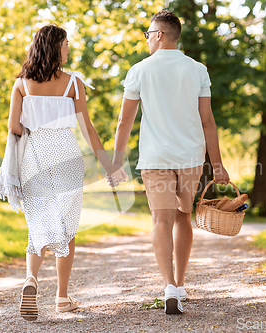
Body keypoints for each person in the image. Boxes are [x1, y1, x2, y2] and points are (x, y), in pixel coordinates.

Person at [111, 11, 230, 314]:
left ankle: (169, 287)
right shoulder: (198, 70)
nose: (148, 39)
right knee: (183, 217)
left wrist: (115, 162)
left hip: (156, 158)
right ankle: (179, 282)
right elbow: (208, 122)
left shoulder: (139, 70)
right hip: (191, 158)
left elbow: (125, 122)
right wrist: (217, 165)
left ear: (160, 35)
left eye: (148, 34)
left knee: (161, 220)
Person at [5, 25, 126, 321]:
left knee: (39, 223)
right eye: (66, 44)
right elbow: (87, 130)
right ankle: (61, 297)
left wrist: (33, 131)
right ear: (55, 47)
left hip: (34, 156)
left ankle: (31, 278)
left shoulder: (22, 84)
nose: (69, 49)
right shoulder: (73, 83)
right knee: (66, 227)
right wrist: (110, 166)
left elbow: (13, 127)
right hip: (66, 155)